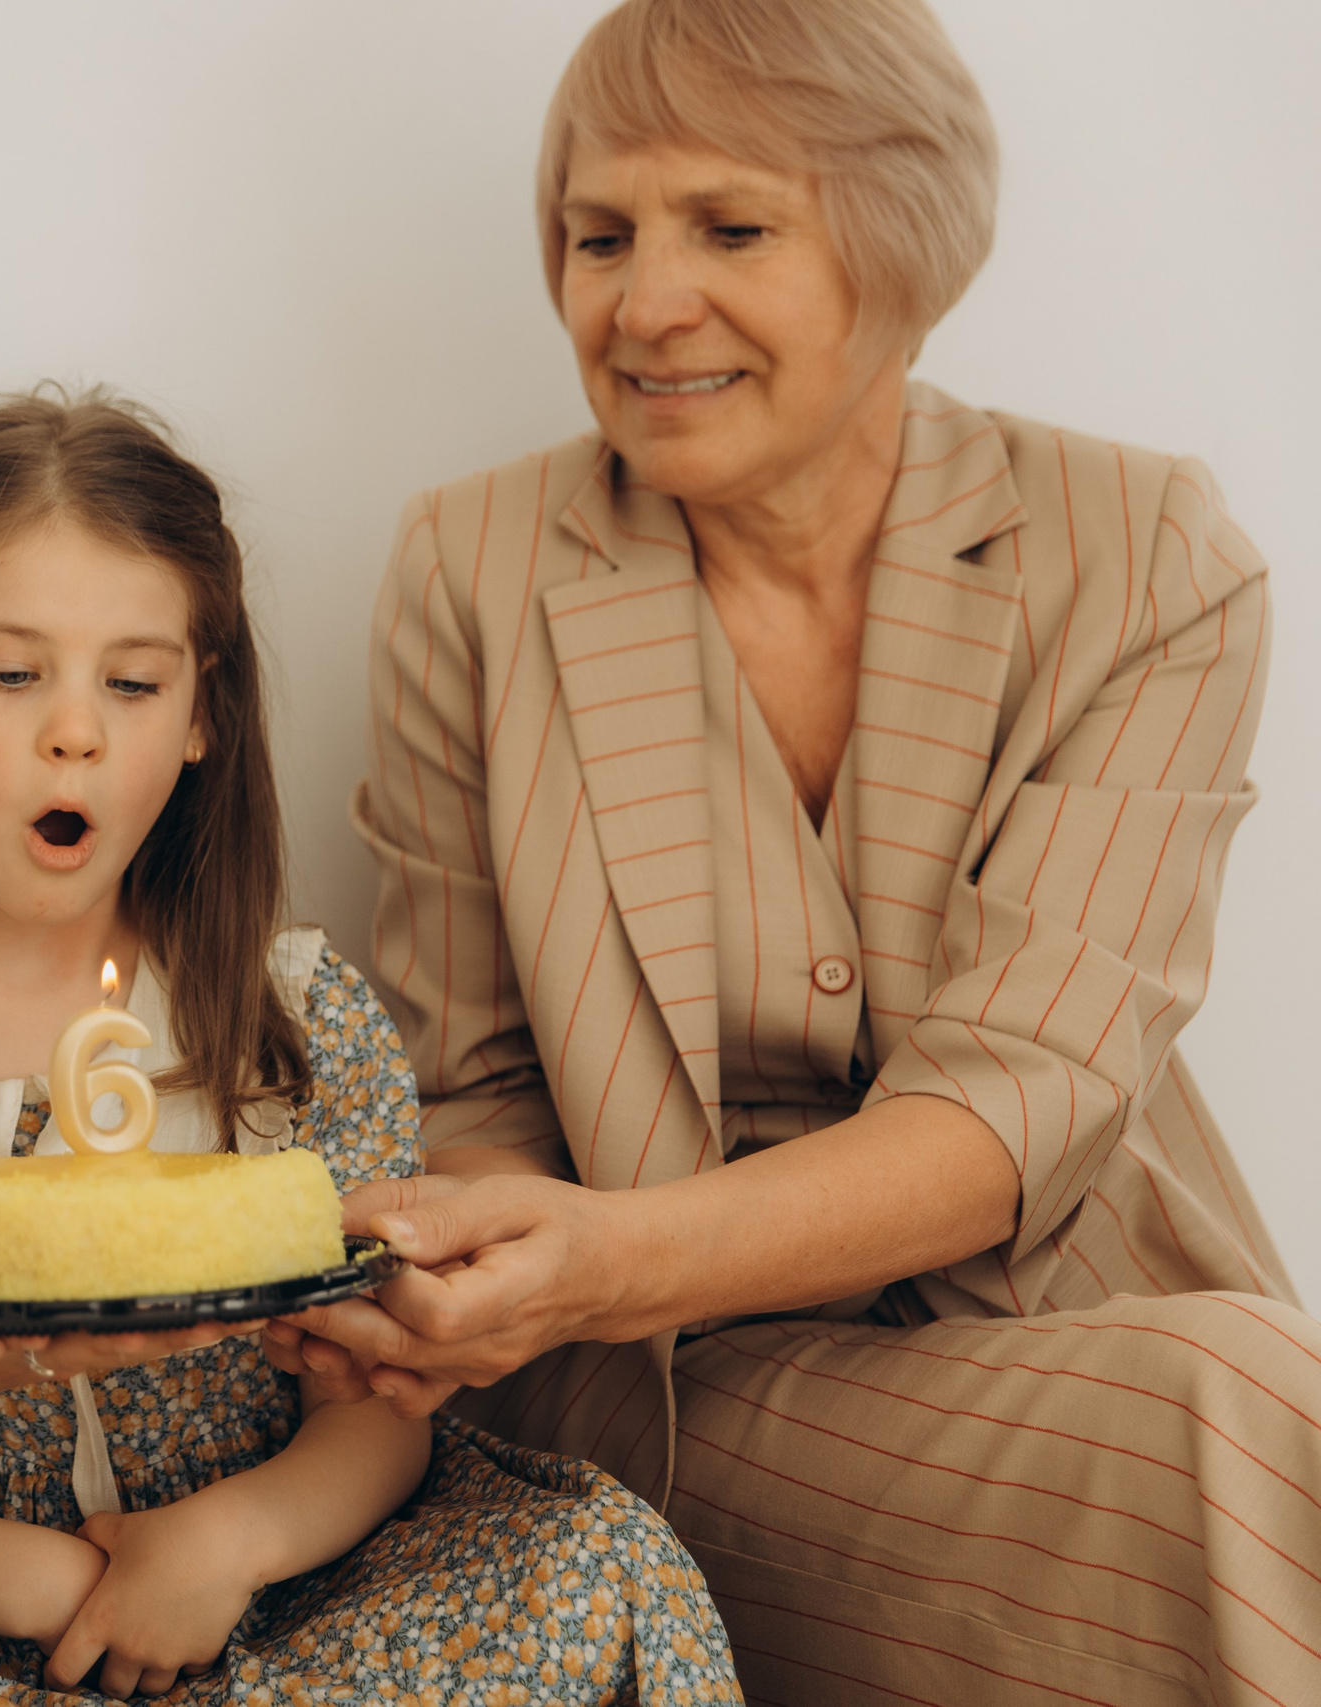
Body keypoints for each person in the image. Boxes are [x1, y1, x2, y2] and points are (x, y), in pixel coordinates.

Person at [259, 0, 1321, 1701]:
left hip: (1075, 1323)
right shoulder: (476, 567)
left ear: (902, 253)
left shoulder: (1150, 558)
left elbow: (1019, 1102)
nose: (643, 302)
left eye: (730, 227)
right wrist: (501, 1270)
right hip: (677, 1386)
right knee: (1249, 1419)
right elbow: (466, 1095)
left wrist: (615, 1245)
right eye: (599, 235)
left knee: (1243, 1399)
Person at [0, 390, 742, 1705]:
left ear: (199, 715)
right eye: (11, 675)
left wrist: (226, 1546)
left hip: (275, 1602)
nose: (77, 729)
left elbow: (379, 1394)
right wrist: (50, 1587)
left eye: (133, 680)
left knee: (601, 1569)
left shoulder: (291, 1016)